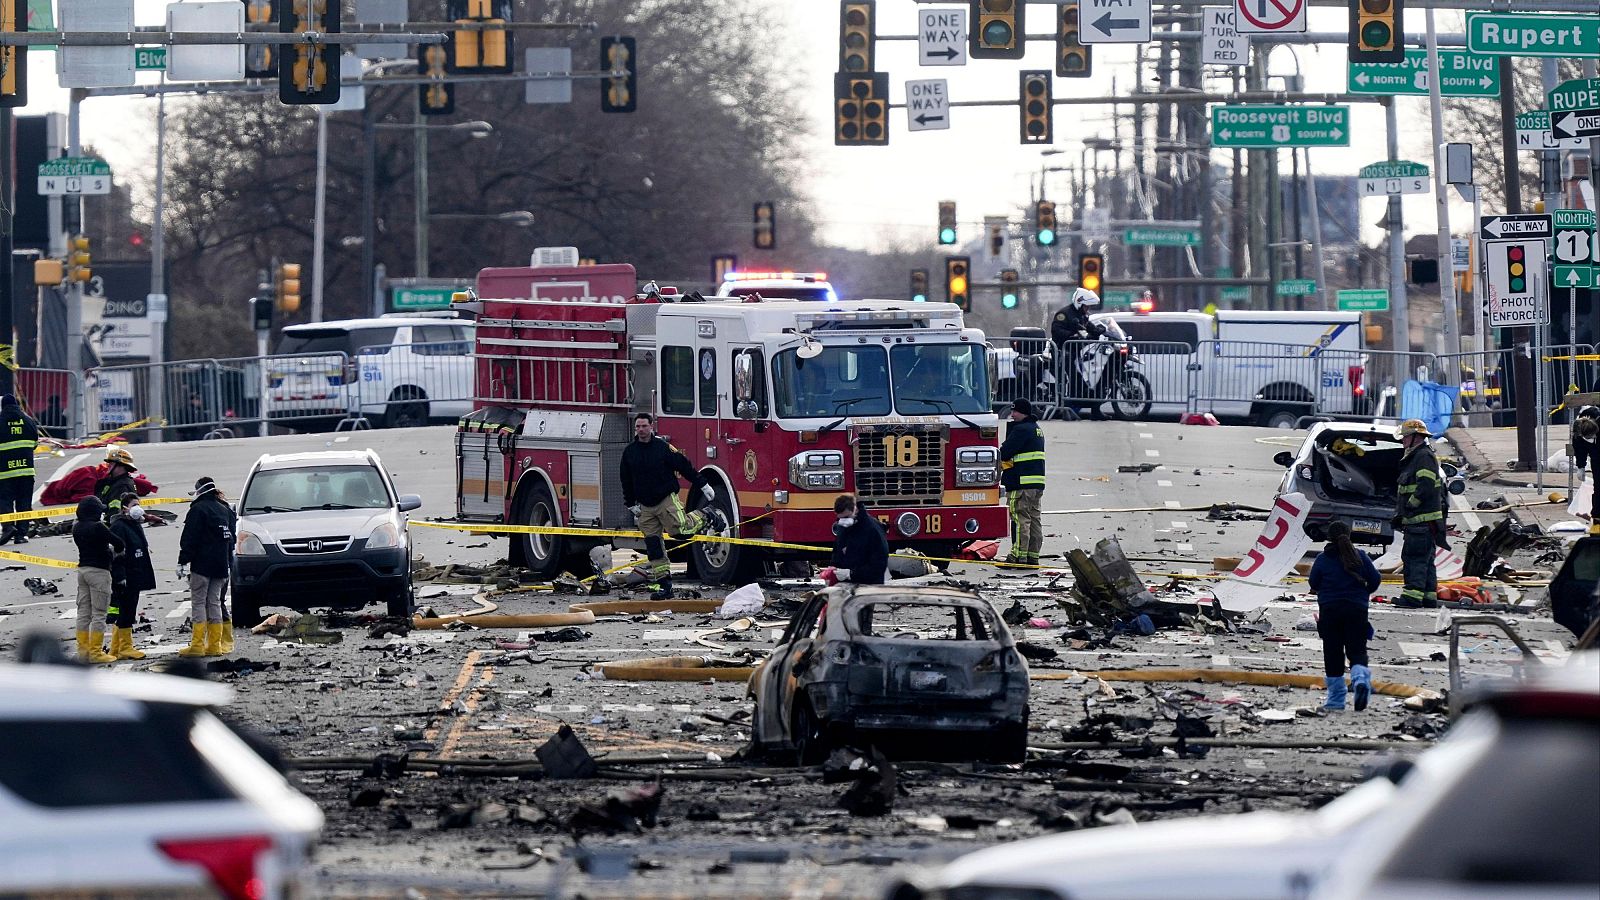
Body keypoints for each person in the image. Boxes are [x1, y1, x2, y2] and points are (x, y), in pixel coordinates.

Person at [619, 413, 721, 600]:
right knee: (653, 546)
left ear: (651, 426)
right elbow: (625, 480)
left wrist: (703, 484)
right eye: (638, 427)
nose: (641, 430)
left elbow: (684, 466)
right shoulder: (629, 452)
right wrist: (630, 504)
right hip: (644, 506)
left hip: (665, 498)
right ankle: (665, 585)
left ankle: (707, 515)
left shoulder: (663, 448)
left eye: (644, 426)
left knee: (680, 529)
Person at [1308, 521, 1381, 712]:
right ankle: (1360, 679)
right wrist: (1363, 592)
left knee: (1332, 653)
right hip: (1356, 610)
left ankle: (1336, 700)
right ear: (1349, 535)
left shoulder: (1323, 559)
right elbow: (1375, 580)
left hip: (1330, 611)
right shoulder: (1361, 557)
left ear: (1328, 537)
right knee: (1357, 650)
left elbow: (1313, 582)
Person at [177, 476, 237, 657]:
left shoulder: (198, 510)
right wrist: (228, 563)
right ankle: (214, 646)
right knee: (215, 603)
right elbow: (231, 539)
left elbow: (189, 538)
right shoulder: (224, 509)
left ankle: (196, 645)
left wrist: (182, 561)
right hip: (220, 566)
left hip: (202, 566)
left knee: (198, 603)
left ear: (199, 491)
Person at [1394, 418, 1444, 609]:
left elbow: (1426, 485)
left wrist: (1410, 505)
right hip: (1423, 521)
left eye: (1406, 437)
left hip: (1420, 520)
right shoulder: (1418, 455)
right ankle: (1428, 597)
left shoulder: (1422, 456)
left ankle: (1412, 597)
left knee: (1413, 558)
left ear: (1416, 437)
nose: (1403, 441)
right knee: (1425, 560)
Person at [72, 496, 124, 664]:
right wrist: (113, 551)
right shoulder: (98, 527)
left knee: (83, 613)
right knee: (99, 614)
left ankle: (83, 652)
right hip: (99, 572)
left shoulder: (77, 527)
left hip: (82, 571)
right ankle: (96, 651)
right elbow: (119, 543)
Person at [107, 491, 155, 660]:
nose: (138, 508)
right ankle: (125, 647)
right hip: (127, 576)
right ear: (124, 508)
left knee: (128, 610)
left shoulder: (134, 524)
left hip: (135, 574)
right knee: (126, 611)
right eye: (134, 505)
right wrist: (120, 577)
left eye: (139, 504)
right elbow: (116, 554)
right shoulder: (119, 526)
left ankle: (116, 647)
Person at [1000, 397, 1046, 567]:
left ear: (1023, 412)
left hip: (1021, 484)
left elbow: (1005, 452)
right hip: (1036, 484)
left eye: (1015, 411)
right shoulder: (1036, 429)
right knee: (1034, 519)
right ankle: (1033, 556)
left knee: (1020, 519)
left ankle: (1018, 556)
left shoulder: (1021, 430)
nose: (1011, 415)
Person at [1050, 288, 1108, 418]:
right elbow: (1056, 331)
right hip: (1062, 354)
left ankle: (1094, 410)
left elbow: (1088, 326)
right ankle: (1069, 410)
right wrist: (1073, 336)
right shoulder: (1064, 314)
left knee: (1087, 382)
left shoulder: (1082, 315)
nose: (1088, 309)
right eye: (1086, 306)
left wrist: (1099, 330)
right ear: (1079, 302)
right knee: (1076, 381)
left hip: (1076, 354)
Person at [0, 393, 39, 546]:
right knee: (24, 502)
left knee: (4, 501)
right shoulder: (28, 421)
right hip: (25, 471)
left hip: (4, 472)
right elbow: (35, 444)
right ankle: (21, 535)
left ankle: (8, 527)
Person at [828, 493, 888, 585]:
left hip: (869, 587)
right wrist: (833, 567)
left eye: (846, 517)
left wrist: (851, 574)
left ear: (855, 510)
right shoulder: (843, 527)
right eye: (840, 518)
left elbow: (879, 565)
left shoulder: (873, 529)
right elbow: (837, 550)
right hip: (846, 586)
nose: (843, 521)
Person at [1571, 406, 1600, 528]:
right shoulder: (1578, 437)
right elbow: (1580, 451)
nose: (1593, 439)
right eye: (1590, 437)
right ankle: (1597, 516)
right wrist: (1581, 467)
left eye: (1595, 436)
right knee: (1598, 487)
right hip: (1597, 459)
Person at [94, 447, 140, 520]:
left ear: (121, 466)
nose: (108, 465)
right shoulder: (112, 481)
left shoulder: (122, 486)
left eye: (111, 463)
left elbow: (115, 512)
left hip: (113, 524)